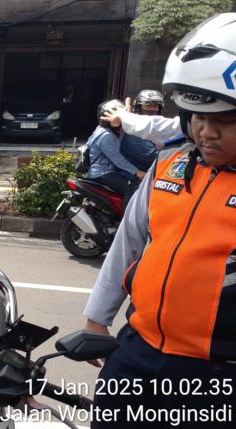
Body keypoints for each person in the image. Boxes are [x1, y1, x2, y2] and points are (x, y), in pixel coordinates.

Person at [82, 13, 236, 429]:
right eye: (199, 117)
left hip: (217, 374)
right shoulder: (169, 165)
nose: (206, 132)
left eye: (224, 121)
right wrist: (99, 316)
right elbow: (128, 245)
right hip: (136, 352)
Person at [87, 99, 146, 198]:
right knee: (132, 189)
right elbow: (117, 159)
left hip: (107, 171)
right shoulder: (106, 135)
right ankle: (128, 214)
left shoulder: (100, 130)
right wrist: (137, 172)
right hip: (103, 173)